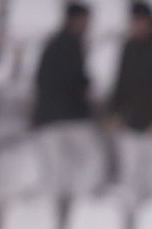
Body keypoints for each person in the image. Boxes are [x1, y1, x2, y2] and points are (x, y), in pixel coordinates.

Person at [108, 3, 152, 201]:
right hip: (132, 121)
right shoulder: (129, 46)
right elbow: (121, 82)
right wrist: (115, 112)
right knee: (130, 178)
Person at [33, 3, 101, 194]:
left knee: (57, 171)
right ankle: (80, 206)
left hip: (49, 117)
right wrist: (90, 101)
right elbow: (74, 81)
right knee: (91, 160)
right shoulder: (70, 44)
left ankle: (65, 212)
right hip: (67, 117)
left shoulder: (55, 43)